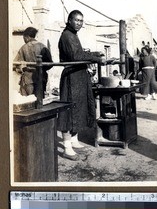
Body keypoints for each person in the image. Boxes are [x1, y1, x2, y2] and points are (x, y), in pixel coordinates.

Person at [58, 10, 106, 160]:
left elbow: (80, 53)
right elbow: (76, 56)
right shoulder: (67, 35)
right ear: (69, 20)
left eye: (81, 21)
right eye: (77, 20)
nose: (79, 23)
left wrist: (95, 54)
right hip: (71, 77)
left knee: (78, 108)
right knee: (69, 110)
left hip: (79, 76)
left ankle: (73, 139)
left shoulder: (73, 35)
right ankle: (66, 147)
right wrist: (96, 59)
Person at [14, 27, 53, 98]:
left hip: (28, 79)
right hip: (41, 78)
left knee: (28, 102)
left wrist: (22, 70)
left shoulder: (23, 48)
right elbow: (50, 64)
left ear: (27, 37)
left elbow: (15, 64)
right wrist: (41, 69)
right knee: (39, 102)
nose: (24, 40)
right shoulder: (43, 46)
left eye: (24, 38)